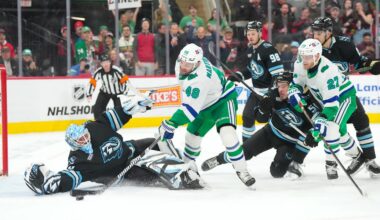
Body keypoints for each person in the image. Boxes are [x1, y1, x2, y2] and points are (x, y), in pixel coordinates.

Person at [24, 98, 204, 195]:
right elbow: (70, 177)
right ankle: (181, 175)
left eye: (84, 135)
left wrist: (134, 106)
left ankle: (185, 162)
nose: (85, 139)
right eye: (80, 140)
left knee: (156, 141)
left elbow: (118, 114)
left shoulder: (95, 127)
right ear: (73, 145)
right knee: (153, 172)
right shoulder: (78, 161)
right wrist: (53, 184)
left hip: (130, 150)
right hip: (123, 173)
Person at [157, 43, 255, 187]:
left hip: (223, 100)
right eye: (182, 62)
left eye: (188, 64)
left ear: (197, 64)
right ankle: (189, 166)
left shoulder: (199, 79)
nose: (183, 66)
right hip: (204, 104)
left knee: (228, 135)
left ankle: (242, 170)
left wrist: (172, 123)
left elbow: (189, 110)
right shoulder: (186, 65)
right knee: (191, 136)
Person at [201, 71, 319, 178]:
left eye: (284, 86)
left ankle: (294, 164)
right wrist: (263, 108)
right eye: (279, 86)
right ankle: (218, 159)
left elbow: (316, 130)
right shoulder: (274, 94)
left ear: (294, 87)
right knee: (244, 153)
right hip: (270, 132)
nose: (280, 89)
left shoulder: (308, 103)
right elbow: (260, 119)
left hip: (289, 142)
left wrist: (311, 139)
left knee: (277, 172)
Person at [311, 17, 380, 176]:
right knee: (332, 128)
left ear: (329, 32)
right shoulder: (312, 48)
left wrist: (372, 65)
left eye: (319, 33)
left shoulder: (344, 44)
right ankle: (354, 157)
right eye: (314, 32)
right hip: (325, 98)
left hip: (344, 93)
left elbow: (358, 62)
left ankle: (369, 160)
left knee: (362, 121)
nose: (315, 36)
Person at [288, 38, 360, 179]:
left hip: (344, 97)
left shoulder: (328, 72)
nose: (304, 60)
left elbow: (332, 107)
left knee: (332, 127)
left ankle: (331, 164)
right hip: (324, 97)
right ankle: (357, 156)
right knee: (340, 130)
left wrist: (317, 130)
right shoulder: (299, 64)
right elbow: (298, 83)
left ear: (317, 56)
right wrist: (294, 93)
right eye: (302, 56)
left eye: (308, 57)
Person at [230, 20, 284, 142]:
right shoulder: (251, 50)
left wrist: (271, 95)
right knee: (247, 117)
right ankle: (246, 147)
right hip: (256, 92)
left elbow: (278, 75)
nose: (250, 37)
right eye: (248, 34)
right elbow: (251, 70)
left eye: (253, 34)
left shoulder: (268, 49)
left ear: (260, 33)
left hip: (271, 93)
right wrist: (238, 75)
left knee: (273, 122)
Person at [86, 54, 129, 120]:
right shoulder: (99, 72)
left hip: (117, 93)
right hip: (105, 92)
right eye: (103, 63)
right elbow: (93, 81)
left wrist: (125, 93)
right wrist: (89, 93)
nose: (105, 65)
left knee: (119, 111)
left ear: (110, 62)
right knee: (97, 109)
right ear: (101, 64)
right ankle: (99, 124)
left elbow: (125, 81)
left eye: (107, 62)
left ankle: (117, 125)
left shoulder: (116, 70)